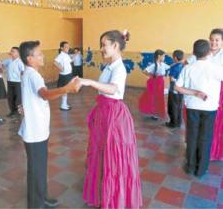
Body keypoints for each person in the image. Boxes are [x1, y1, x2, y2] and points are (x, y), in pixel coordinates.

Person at [80, 30, 142, 209]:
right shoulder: (110, 66)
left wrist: (89, 82)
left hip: (114, 115)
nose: (101, 49)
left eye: (104, 45)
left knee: (113, 155)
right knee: (102, 153)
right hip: (104, 113)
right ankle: (103, 192)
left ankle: (114, 196)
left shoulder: (119, 68)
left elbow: (113, 89)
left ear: (115, 46)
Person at [18, 41, 81, 209]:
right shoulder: (33, 75)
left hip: (37, 129)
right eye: (39, 54)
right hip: (34, 131)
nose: (43, 56)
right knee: (36, 169)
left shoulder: (29, 73)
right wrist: (66, 89)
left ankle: (42, 196)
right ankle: (36, 204)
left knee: (39, 167)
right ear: (30, 58)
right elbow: (44, 94)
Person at [175, 39, 223, 177]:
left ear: (194, 52)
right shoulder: (216, 68)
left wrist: (195, 93)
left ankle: (190, 166)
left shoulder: (188, 68)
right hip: (210, 108)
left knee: (192, 136)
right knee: (205, 138)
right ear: (209, 52)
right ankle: (201, 169)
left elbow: (178, 87)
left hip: (192, 107)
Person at [139, 49, 169, 120]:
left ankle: (157, 112)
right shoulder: (153, 65)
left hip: (160, 82)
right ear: (159, 56)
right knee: (155, 97)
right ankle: (154, 112)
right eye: (163, 56)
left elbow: (170, 66)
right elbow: (144, 71)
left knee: (159, 97)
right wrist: (151, 75)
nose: (164, 58)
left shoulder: (163, 64)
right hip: (156, 83)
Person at [209, 28, 223, 161]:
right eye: (212, 40)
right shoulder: (204, 53)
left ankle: (217, 151)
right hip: (205, 91)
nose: (214, 43)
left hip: (220, 92)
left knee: (219, 122)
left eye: (217, 40)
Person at [2, 47, 25, 117]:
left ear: (18, 53)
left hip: (17, 82)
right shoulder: (8, 60)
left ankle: (18, 112)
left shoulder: (20, 62)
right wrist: (1, 70)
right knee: (10, 97)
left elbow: (23, 72)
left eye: (13, 51)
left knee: (18, 98)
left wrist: (21, 78)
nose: (11, 52)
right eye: (11, 51)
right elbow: (1, 65)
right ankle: (12, 111)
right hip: (9, 82)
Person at [165, 50, 185, 128]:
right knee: (179, 106)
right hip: (181, 90)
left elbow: (172, 79)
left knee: (172, 106)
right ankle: (179, 122)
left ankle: (173, 123)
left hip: (174, 89)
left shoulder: (174, 67)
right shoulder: (184, 66)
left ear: (175, 58)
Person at [54, 41, 73, 111]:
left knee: (66, 90)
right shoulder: (61, 55)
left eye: (68, 47)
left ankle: (64, 104)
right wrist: (61, 68)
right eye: (66, 47)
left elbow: (70, 61)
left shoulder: (66, 55)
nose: (68, 48)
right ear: (61, 48)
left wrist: (74, 56)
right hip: (65, 75)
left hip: (68, 74)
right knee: (65, 90)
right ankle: (63, 105)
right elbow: (55, 62)